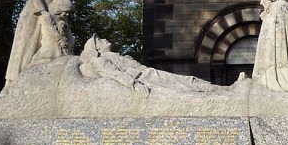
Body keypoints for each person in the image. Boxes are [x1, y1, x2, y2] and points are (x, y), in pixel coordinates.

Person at [2, 0, 92, 95]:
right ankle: (10, 85)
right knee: (24, 48)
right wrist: (43, 12)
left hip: (56, 14)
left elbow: (66, 2)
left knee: (60, 48)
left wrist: (59, 16)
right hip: (35, 11)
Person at [79, 36, 215, 97]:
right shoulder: (100, 60)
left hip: (149, 74)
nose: (104, 39)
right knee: (187, 84)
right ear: (97, 48)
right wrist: (135, 84)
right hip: (146, 78)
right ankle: (225, 92)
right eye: (100, 40)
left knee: (188, 82)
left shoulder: (114, 55)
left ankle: (226, 90)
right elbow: (114, 74)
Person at [29, 0, 75, 68]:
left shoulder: (63, 20)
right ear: (60, 9)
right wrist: (61, 40)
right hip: (50, 48)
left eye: (68, 12)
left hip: (63, 48)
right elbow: (51, 30)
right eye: (65, 11)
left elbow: (68, 32)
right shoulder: (48, 17)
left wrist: (70, 42)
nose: (67, 14)